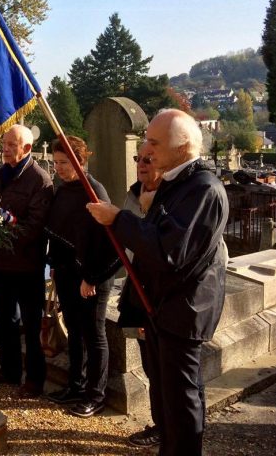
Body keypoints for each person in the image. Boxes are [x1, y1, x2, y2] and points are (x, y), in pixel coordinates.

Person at [87, 109, 229, 456]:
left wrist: (119, 218)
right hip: (159, 306)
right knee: (166, 392)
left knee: (181, 397)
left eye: (154, 142)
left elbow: (169, 250)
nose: (146, 150)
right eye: (146, 140)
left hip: (183, 309)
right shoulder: (173, 182)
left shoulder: (203, 189)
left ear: (181, 147)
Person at [44, 136, 119, 418]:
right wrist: (54, 264)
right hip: (66, 272)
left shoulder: (94, 192)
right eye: (56, 163)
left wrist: (92, 277)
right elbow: (59, 232)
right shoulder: (63, 190)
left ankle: (95, 395)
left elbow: (106, 243)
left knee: (93, 333)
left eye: (64, 163)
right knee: (74, 331)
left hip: (91, 276)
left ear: (80, 161)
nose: (59, 168)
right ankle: (75, 385)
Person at [0, 125, 53, 398]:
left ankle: (34, 379)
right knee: (4, 320)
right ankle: (8, 370)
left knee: (31, 325)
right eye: (5, 143)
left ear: (27, 148)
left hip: (27, 265)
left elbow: (34, 228)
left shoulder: (39, 180)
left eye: (12, 144)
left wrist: (1, 231)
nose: (6, 148)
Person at [122, 152, 165, 448]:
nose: (141, 164)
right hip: (137, 289)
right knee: (150, 366)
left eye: (149, 160)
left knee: (166, 369)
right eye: (139, 158)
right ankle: (160, 423)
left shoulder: (171, 199)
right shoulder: (133, 194)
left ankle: (169, 428)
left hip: (160, 294)